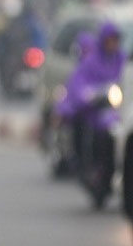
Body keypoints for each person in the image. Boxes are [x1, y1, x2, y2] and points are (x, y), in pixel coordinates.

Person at [54, 21, 125, 171]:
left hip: (117, 108)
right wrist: (89, 94)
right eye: (109, 40)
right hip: (94, 108)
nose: (112, 44)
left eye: (115, 40)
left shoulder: (122, 60)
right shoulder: (91, 62)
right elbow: (79, 84)